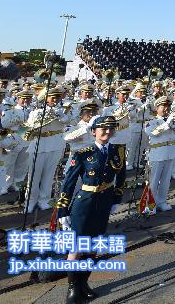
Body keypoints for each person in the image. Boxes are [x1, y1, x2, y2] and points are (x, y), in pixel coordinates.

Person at [56, 115, 126, 304]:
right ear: (93, 131)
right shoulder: (82, 153)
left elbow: (121, 177)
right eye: (103, 128)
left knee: (94, 244)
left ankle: (84, 284)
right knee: (77, 246)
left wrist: (116, 199)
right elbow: (68, 184)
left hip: (104, 200)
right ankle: (73, 288)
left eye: (111, 128)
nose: (107, 131)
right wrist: (62, 211)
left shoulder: (117, 151)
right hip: (84, 202)